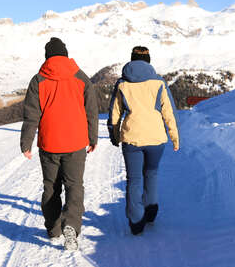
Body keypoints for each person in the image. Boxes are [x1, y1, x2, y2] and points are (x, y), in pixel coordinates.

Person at [20, 37, 98, 250]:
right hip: (75, 142)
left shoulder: (38, 80)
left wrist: (26, 143)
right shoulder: (81, 77)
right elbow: (91, 111)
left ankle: (53, 230)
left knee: (51, 187)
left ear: (47, 57)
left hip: (49, 143)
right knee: (74, 185)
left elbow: (31, 115)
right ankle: (71, 224)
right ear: (65, 54)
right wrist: (93, 138)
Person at [108, 46, 180, 235]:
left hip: (132, 139)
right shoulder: (159, 83)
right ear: (149, 60)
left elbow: (114, 115)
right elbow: (169, 113)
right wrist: (174, 137)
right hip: (156, 138)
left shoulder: (122, 84)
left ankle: (136, 221)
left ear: (131, 60)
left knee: (134, 179)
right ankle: (151, 212)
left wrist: (114, 135)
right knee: (152, 173)